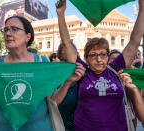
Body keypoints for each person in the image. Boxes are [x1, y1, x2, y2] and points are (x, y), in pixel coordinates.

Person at [56, 0, 144, 130]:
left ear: (108, 56)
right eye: (93, 55)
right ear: (86, 58)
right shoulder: (82, 71)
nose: (99, 59)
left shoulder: (115, 69)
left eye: (103, 54)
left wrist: (142, 9)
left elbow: (134, 41)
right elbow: (67, 43)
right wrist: (60, 14)